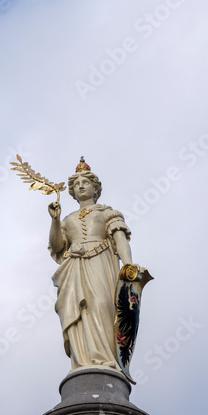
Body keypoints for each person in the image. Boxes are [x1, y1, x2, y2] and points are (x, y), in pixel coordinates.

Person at [48, 158, 132, 373]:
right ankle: (83, 361)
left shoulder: (107, 213)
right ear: (72, 192)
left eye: (86, 182)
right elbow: (57, 246)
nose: (81, 186)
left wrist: (129, 268)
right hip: (74, 267)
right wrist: (55, 220)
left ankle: (106, 359)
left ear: (96, 188)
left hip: (101, 264)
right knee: (77, 312)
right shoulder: (67, 219)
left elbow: (120, 239)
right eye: (76, 185)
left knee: (102, 304)